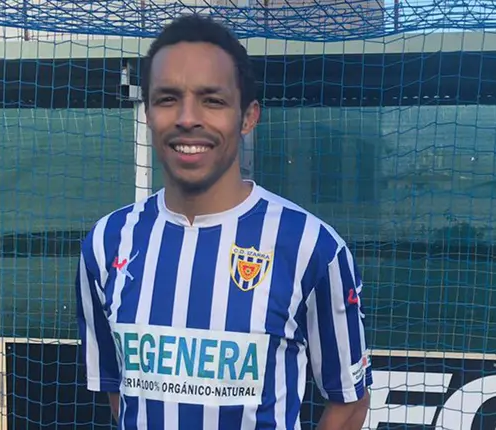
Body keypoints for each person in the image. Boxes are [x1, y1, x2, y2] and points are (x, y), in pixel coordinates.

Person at [74, 14, 372, 429]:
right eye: (167, 98)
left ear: (248, 117)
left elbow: (350, 402)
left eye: (212, 100)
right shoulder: (107, 243)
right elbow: (118, 390)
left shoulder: (312, 247)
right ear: (148, 113)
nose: (187, 118)